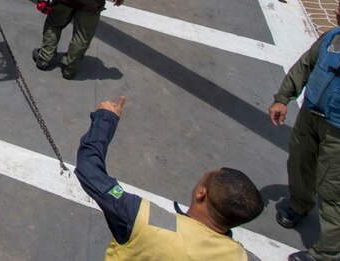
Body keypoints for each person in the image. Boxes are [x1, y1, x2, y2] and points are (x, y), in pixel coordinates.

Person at [78, 96, 265, 259]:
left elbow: (90, 171)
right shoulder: (242, 257)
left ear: (201, 194)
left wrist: (106, 119)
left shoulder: (142, 218)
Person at [267, 0, 340, 261]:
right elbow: (306, 65)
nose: (336, 11)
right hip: (311, 115)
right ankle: (299, 204)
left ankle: (327, 254)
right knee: (299, 161)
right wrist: (283, 97)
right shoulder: (333, 36)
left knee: (334, 191)